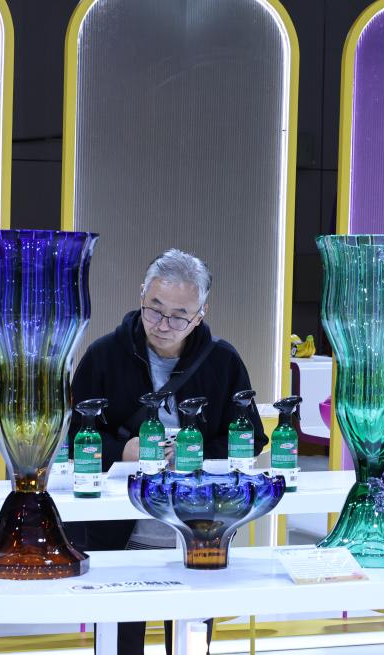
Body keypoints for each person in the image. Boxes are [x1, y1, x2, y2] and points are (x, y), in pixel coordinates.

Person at [67, 248, 268, 654]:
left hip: (198, 531)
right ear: (141, 294)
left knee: (190, 642)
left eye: (179, 316)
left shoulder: (223, 361)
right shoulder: (104, 356)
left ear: (201, 313)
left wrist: (195, 452)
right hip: (119, 529)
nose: (163, 325)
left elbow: (252, 439)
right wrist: (123, 450)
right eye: (154, 309)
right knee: (119, 643)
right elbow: (74, 441)